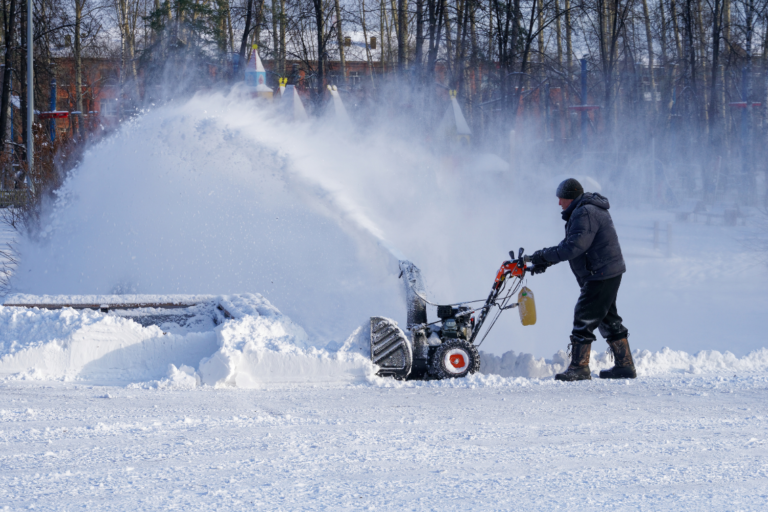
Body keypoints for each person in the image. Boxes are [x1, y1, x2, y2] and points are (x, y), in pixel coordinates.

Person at [529, 178, 636, 381]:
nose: (559, 202)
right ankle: (625, 366)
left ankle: (579, 367)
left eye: (561, 198)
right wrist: (545, 261)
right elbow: (572, 244)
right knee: (608, 318)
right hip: (606, 271)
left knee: (584, 316)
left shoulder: (585, 212)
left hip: (600, 273)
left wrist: (542, 256)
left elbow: (573, 247)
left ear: (571, 197)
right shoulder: (585, 210)